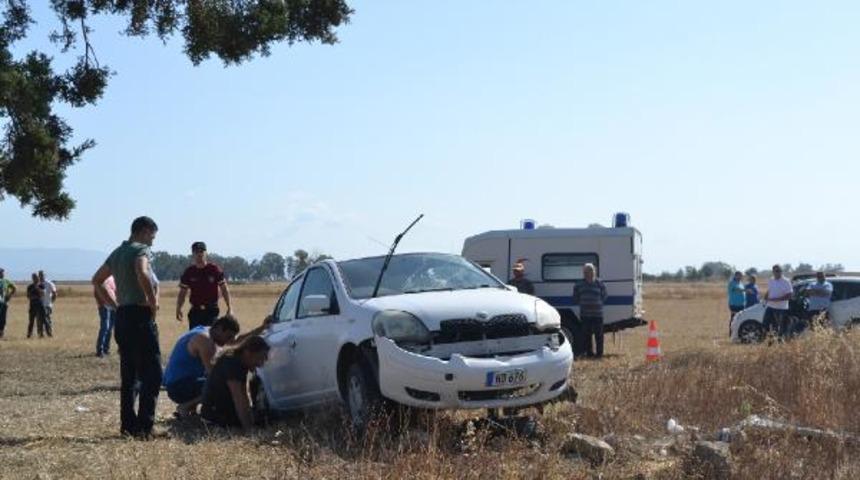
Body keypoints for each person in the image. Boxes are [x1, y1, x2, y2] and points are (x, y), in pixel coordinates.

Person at [92, 216, 161, 439]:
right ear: (143, 231)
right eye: (152, 234)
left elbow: (97, 280)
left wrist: (114, 305)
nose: (152, 240)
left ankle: (128, 426)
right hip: (140, 317)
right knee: (152, 373)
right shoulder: (141, 249)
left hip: (122, 317)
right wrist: (152, 302)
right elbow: (141, 271)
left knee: (129, 374)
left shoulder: (118, 252)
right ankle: (144, 427)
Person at [163, 315, 270, 417]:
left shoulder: (207, 331)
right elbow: (212, 376)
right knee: (221, 385)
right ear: (219, 328)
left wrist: (261, 328)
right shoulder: (205, 341)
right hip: (178, 387)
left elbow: (235, 342)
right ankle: (186, 406)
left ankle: (191, 407)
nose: (229, 341)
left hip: (180, 381)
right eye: (228, 337)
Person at [201, 335, 270, 430]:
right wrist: (248, 428)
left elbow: (244, 394)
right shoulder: (232, 364)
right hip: (215, 414)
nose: (260, 364)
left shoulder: (241, 362)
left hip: (224, 409)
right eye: (259, 358)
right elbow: (238, 398)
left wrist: (250, 417)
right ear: (247, 353)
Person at [176, 241, 233, 329]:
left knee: (210, 338)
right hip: (195, 312)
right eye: (196, 252)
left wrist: (229, 307)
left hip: (211, 311)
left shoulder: (214, 269)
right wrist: (178, 308)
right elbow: (182, 292)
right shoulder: (189, 272)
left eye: (202, 251)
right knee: (195, 338)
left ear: (206, 253)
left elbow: (224, 288)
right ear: (193, 254)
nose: (199, 254)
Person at [572, 263, 607, 358]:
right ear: (583, 273)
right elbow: (575, 297)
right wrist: (583, 303)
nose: (588, 273)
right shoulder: (578, 284)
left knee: (599, 335)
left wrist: (598, 303)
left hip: (598, 314)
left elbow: (604, 296)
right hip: (585, 314)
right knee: (587, 335)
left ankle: (599, 354)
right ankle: (589, 353)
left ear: (594, 272)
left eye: (590, 271)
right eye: (586, 271)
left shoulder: (600, 283)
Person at [763, 264, 793, 340]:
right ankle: (771, 339)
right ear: (773, 272)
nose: (778, 272)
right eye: (776, 271)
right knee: (765, 324)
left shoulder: (786, 281)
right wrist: (766, 296)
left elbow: (789, 295)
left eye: (779, 271)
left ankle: (779, 341)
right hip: (770, 306)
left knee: (780, 326)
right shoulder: (771, 280)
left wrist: (777, 299)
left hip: (781, 308)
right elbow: (770, 290)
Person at [94, 276, 117, 357]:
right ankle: (100, 349)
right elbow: (96, 291)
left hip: (113, 306)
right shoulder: (102, 278)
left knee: (110, 328)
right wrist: (100, 303)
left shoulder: (113, 278)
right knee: (105, 327)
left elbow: (115, 291)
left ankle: (106, 349)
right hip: (104, 306)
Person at [26, 273, 47, 338]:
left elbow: (43, 294)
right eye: (34, 277)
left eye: (36, 277)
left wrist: (37, 288)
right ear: (32, 278)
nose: (35, 279)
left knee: (41, 320)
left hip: (40, 304)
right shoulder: (30, 286)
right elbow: (28, 296)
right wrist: (34, 295)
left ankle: (41, 334)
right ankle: (29, 334)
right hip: (32, 305)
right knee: (31, 321)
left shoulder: (41, 285)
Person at [38, 270, 57, 336]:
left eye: (42, 275)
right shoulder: (38, 284)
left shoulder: (49, 283)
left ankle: (49, 333)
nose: (40, 276)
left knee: (47, 319)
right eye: (40, 275)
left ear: (45, 275)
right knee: (40, 320)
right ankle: (41, 334)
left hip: (47, 305)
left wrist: (51, 302)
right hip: (39, 305)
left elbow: (54, 294)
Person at [0, 268, 17, 339]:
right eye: (1, 273)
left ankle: (1, 333)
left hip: (4, 302)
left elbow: (14, 288)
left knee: (3, 318)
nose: (3, 274)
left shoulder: (6, 281)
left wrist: (9, 295)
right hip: (2, 302)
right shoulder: (4, 281)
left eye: (3, 272)